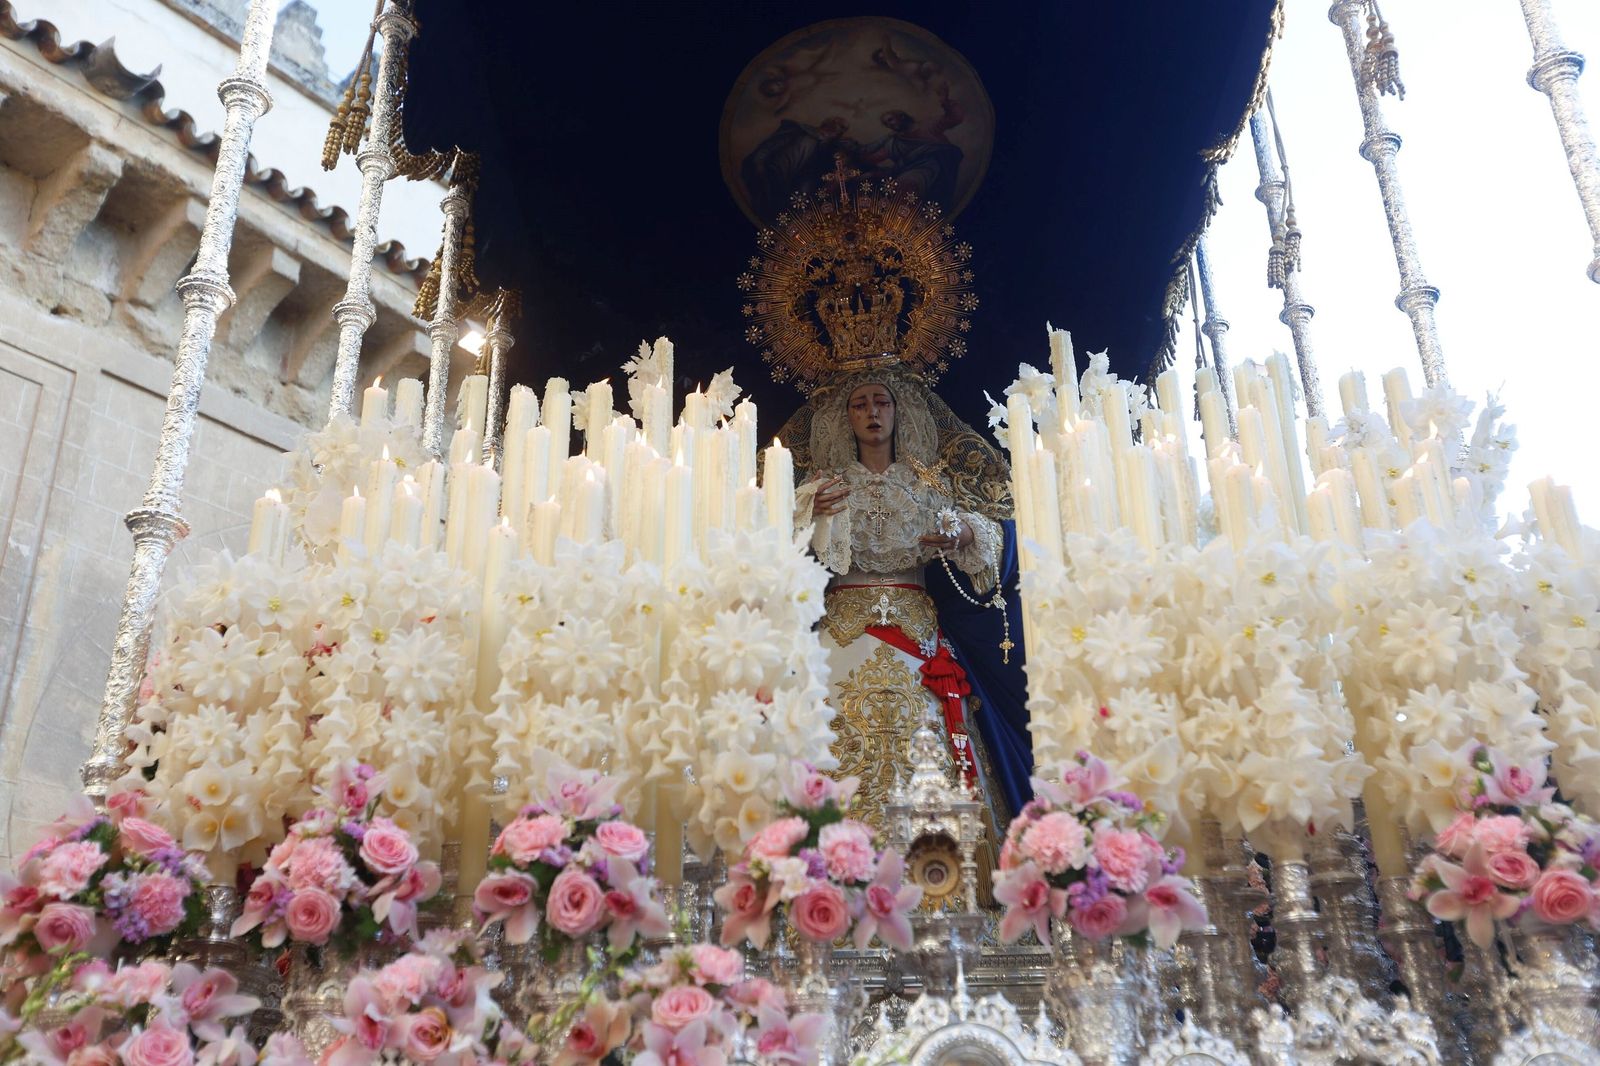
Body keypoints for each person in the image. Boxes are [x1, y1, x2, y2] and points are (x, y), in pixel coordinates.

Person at [792, 371, 1011, 876]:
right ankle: (829, 874)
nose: (871, 413)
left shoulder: (926, 483)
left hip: (916, 632)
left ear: (898, 413)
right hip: (842, 629)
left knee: (931, 740)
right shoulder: (824, 487)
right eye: (860, 405)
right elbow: (775, 543)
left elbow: (983, 533)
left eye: (881, 403)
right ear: (844, 419)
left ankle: (945, 881)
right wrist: (803, 512)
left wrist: (960, 539)